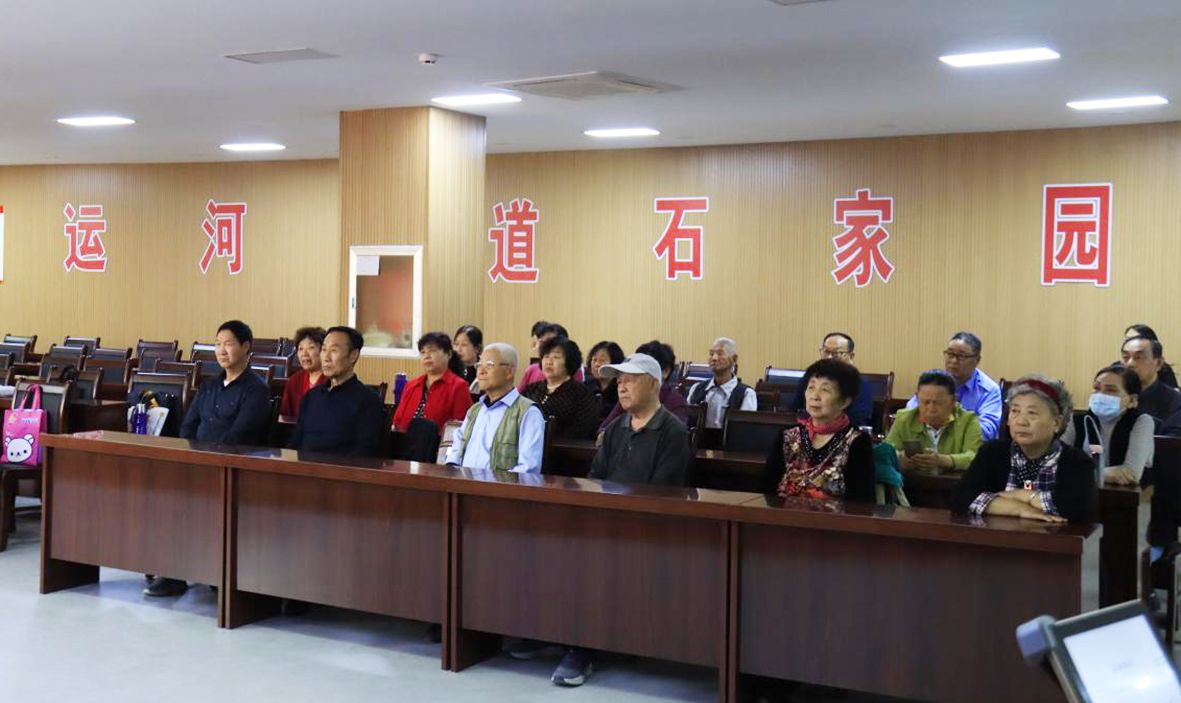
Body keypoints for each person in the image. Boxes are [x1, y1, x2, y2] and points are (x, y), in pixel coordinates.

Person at [536, 352, 691, 687]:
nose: (621, 387)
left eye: (630, 380)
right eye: (619, 380)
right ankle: (547, 635)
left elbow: (663, 493)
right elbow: (596, 478)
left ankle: (581, 649)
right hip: (605, 521)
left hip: (647, 528)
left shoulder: (673, 432)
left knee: (591, 562)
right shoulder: (616, 428)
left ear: (654, 385)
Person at [149, 319, 271, 598]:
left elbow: (241, 435)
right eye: (217, 344)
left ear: (245, 347)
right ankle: (173, 572)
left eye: (228, 344)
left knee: (196, 500)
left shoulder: (256, 390)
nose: (221, 350)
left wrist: (208, 460)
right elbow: (188, 426)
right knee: (166, 493)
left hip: (233, 467)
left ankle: (213, 571)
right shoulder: (208, 386)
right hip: (199, 464)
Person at [950, 375, 1096, 523]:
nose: (1021, 421)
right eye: (1015, 411)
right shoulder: (992, 452)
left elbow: (1077, 508)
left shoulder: (1077, 461)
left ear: (1057, 422)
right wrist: (1019, 509)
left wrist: (1021, 495)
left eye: (1032, 413)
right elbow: (961, 497)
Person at [764, 358, 875, 501]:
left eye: (825, 390)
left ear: (844, 402)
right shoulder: (788, 436)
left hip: (835, 515)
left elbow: (862, 502)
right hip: (783, 514)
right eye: (811, 387)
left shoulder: (857, 442)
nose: (814, 396)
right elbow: (766, 490)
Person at [445, 343, 544, 473]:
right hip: (464, 482)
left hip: (499, 485)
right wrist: (452, 472)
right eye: (479, 365)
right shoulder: (474, 410)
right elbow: (456, 450)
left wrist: (493, 483)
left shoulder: (528, 413)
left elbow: (528, 468)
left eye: (489, 365)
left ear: (510, 371)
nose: (481, 371)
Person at [288, 326, 385, 457]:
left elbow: (365, 453)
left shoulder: (368, 401)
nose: (326, 357)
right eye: (324, 350)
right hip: (304, 467)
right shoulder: (311, 396)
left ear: (353, 355)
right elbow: (295, 443)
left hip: (341, 469)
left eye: (334, 350)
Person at [1061, 364, 1154, 486]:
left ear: (1132, 400)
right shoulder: (1077, 420)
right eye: (1096, 388)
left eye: (1110, 390)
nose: (1100, 395)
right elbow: (1058, 464)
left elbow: (1131, 473)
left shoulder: (1141, 421)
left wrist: (1079, 473)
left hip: (1123, 494)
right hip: (1080, 490)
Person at [905, 331, 1003, 441]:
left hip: (971, 448)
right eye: (950, 354)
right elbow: (909, 415)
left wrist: (946, 430)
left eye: (961, 356)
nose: (953, 360)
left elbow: (988, 430)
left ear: (977, 360)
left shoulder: (988, 390)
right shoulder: (933, 383)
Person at [885, 369, 983, 473]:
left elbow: (974, 456)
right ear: (917, 397)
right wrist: (900, 459)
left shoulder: (968, 420)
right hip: (912, 480)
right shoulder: (905, 418)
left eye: (938, 403)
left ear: (953, 401)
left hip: (953, 481)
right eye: (925, 402)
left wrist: (944, 460)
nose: (931, 408)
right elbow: (887, 451)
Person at [391, 332, 473, 434]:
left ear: (449, 354)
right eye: (423, 352)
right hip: (404, 442)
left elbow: (462, 429)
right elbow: (397, 423)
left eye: (432, 351)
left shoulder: (459, 386)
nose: (427, 356)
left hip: (439, 443)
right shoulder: (411, 386)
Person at [788, 332, 873, 428]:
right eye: (826, 352)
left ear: (851, 356)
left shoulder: (859, 383)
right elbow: (794, 410)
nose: (829, 357)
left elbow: (858, 419)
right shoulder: (809, 378)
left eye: (836, 353)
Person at [521, 336, 599, 440]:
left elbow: (583, 430)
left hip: (562, 447)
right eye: (546, 356)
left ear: (569, 361)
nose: (549, 362)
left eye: (556, 357)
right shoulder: (531, 389)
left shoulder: (581, 394)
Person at [600, 340, 690, 430]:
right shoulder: (630, 397)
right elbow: (604, 429)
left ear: (665, 371)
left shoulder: (676, 403)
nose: (622, 388)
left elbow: (674, 434)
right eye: (619, 382)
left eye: (631, 380)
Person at [686, 337, 757, 435]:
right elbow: (685, 421)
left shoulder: (747, 394)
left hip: (730, 443)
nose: (714, 358)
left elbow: (745, 432)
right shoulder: (696, 389)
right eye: (711, 354)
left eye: (720, 354)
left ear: (734, 359)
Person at [1120, 336, 1181, 436]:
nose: (1130, 364)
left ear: (1158, 363)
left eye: (1138, 357)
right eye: (1125, 357)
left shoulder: (1175, 401)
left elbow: (1172, 441)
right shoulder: (1113, 394)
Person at [516, 322, 584, 392]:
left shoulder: (574, 371)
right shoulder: (532, 370)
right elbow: (518, 395)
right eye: (542, 342)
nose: (547, 347)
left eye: (552, 342)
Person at [278, 326, 328, 418]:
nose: (304, 354)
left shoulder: (333, 381)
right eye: (300, 349)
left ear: (323, 351)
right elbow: (285, 416)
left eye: (311, 347)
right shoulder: (294, 381)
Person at [1124, 324, 1178, 388]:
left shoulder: (1164, 369)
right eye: (1127, 340)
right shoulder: (1118, 367)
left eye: (1135, 339)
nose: (1130, 343)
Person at [583, 340, 624, 421]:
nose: (597, 364)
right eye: (594, 360)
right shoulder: (586, 385)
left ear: (615, 363)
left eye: (602, 360)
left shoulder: (621, 388)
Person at [454, 324, 483, 390]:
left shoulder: (483, 371)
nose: (458, 349)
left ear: (477, 348)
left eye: (464, 344)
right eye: (456, 344)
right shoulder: (451, 369)